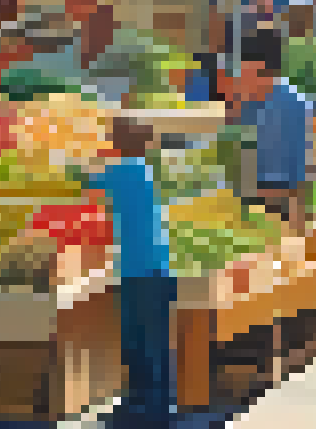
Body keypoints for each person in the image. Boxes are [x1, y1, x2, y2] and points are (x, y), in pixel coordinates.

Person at [84, 116, 176, 426]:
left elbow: (83, 183)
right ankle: (155, 404)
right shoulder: (143, 170)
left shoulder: (120, 173)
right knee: (154, 341)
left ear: (114, 141)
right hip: (156, 269)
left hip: (138, 271)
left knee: (138, 341)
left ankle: (146, 406)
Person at [235, 31, 314, 238]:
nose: (242, 77)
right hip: (248, 198)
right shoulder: (249, 101)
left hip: (280, 202)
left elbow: (301, 168)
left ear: (263, 70)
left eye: (246, 71)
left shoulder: (293, 104)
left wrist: (300, 225)